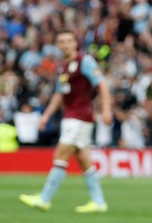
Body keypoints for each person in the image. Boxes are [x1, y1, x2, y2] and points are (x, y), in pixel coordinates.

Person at [19, 29, 112, 213]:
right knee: (83, 159)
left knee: (61, 153)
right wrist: (46, 115)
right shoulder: (62, 66)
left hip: (80, 116)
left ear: (75, 43)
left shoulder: (84, 61)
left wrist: (106, 110)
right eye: (62, 41)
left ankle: (45, 198)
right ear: (58, 45)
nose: (66, 44)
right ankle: (98, 201)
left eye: (69, 40)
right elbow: (60, 94)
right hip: (70, 116)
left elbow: (101, 84)